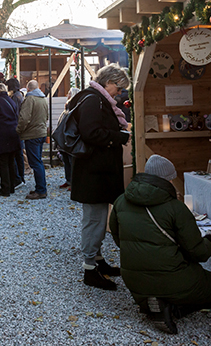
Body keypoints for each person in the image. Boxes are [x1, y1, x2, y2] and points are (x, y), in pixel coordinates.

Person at [110, 155, 211, 334]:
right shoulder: (175, 207)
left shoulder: (121, 201)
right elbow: (198, 253)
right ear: (166, 180)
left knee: (162, 279)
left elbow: (118, 239)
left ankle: (153, 303)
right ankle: (171, 308)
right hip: (170, 277)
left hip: (133, 279)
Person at [69, 64, 131, 290]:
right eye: (119, 88)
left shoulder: (96, 98)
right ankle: (90, 269)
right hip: (93, 172)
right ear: (109, 82)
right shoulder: (94, 100)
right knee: (95, 220)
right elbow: (91, 132)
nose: (120, 93)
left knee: (97, 217)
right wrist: (119, 137)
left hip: (95, 171)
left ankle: (97, 260)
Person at [16, 80, 48, 200]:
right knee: (38, 161)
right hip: (41, 133)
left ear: (28, 89)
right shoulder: (43, 99)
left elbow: (24, 118)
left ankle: (41, 190)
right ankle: (40, 187)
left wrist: (18, 130)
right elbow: (46, 116)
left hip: (32, 134)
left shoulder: (30, 99)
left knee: (35, 163)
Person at [59, 88, 80, 189]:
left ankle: (74, 182)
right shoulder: (67, 106)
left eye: (69, 93)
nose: (67, 95)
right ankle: (69, 180)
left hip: (70, 137)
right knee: (66, 160)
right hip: (64, 136)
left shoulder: (75, 106)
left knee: (71, 161)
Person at [7, 77, 25, 188]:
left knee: (16, 155)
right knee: (19, 155)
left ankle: (17, 178)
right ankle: (21, 177)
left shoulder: (15, 97)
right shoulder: (20, 95)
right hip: (19, 128)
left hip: (15, 128)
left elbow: (14, 113)